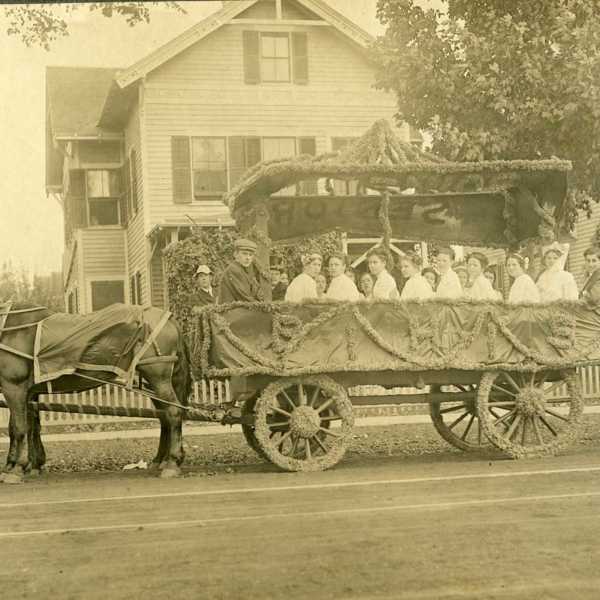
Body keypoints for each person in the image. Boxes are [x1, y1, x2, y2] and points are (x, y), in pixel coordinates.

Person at [217, 238, 268, 303]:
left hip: (242, 309)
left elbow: (258, 293)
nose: (248, 258)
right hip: (232, 310)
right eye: (244, 254)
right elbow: (244, 297)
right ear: (235, 254)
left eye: (250, 255)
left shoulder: (245, 270)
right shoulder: (234, 269)